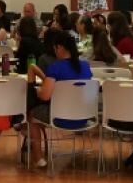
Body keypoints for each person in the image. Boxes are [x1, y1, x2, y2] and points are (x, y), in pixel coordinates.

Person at [25, 33, 92, 168]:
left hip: (60, 118)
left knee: (31, 115)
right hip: (84, 118)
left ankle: (38, 158)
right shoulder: (85, 66)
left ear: (60, 47)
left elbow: (45, 96)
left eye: (55, 48)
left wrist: (38, 90)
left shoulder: (55, 67)